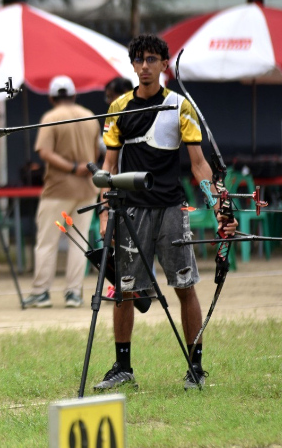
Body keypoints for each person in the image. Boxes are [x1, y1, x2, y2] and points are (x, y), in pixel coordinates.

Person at [93, 34, 237, 391]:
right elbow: (108, 167)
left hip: (171, 209)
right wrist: (105, 214)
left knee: (185, 287)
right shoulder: (118, 107)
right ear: (132, 65)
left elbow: (198, 164)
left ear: (164, 65)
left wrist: (217, 205)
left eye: (152, 59)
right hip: (131, 211)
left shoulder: (179, 106)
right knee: (125, 291)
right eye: (139, 60)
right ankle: (123, 367)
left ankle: (196, 368)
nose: (145, 66)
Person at [23, 76, 101, 309]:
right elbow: (97, 151)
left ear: (51, 98)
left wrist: (72, 168)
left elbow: (45, 153)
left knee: (47, 242)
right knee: (80, 241)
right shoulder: (90, 116)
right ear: (74, 95)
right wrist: (82, 167)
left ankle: (41, 292)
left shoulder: (51, 117)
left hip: (58, 189)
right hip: (87, 188)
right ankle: (74, 293)